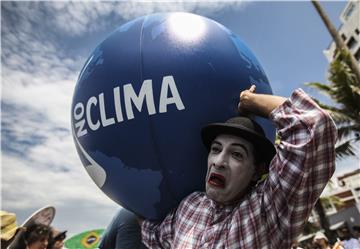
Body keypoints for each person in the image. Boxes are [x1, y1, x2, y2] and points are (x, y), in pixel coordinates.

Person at [100, 86, 337, 248]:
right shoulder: (190, 205)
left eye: (236, 154)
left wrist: (249, 101)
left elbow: (315, 125)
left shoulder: (268, 211)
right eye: (215, 149)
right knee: (125, 216)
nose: (219, 161)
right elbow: (154, 236)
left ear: (257, 170)